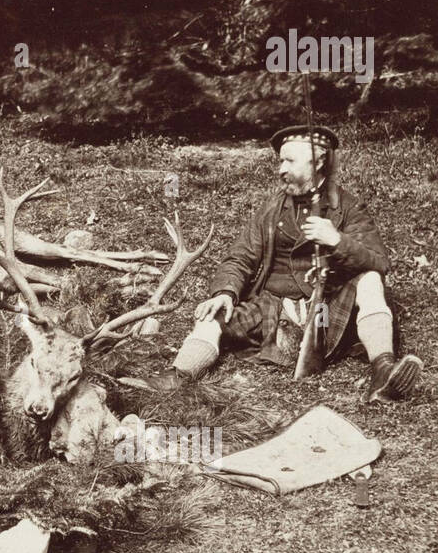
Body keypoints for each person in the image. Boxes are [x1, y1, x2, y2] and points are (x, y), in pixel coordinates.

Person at [152, 125, 422, 402]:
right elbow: (240, 256)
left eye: (289, 160)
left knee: (371, 280)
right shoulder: (271, 208)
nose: (281, 168)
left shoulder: (349, 206)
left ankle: (383, 371)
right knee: (213, 315)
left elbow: (378, 261)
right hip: (273, 306)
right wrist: (225, 292)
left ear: (317, 161)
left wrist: (337, 240)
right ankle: (178, 375)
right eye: (281, 160)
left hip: (329, 310)